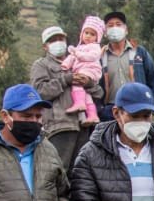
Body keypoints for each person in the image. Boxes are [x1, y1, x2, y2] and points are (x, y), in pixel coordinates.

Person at [31, 25, 104, 173]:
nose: (58, 43)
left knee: (80, 172)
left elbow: (100, 93)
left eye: (61, 39)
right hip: (58, 126)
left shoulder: (80, 61)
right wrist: (66, 80)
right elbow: (39, 92)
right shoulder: (41, 65)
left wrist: (89, 83)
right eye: (53, 41)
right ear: (45, 46)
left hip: (83, 126)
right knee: (58, 171)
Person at [97, 11, 154, 122]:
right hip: (109, 112)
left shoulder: (140, 52)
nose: (114, 28)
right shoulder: (100, 56)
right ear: (105, 32)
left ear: (126, 30)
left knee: (140, 139)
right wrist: (100, 109)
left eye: (118, 24)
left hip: (138, 109)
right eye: (110, 25)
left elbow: (153, 78)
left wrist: (152, 104)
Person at [62, 16, 105, 126]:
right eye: (86, 33)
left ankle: (79, 103)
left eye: (92, 34)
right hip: (83, 70)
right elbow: (71, 58)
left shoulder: (95, 47)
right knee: (85, 93)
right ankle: (92, 115)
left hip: (91, 70)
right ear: (82, 33)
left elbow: (91, 57)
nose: (88, 36)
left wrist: (78, 54)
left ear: (97, 37)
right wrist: (65, 65)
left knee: (77, 82)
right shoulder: (79, 47)